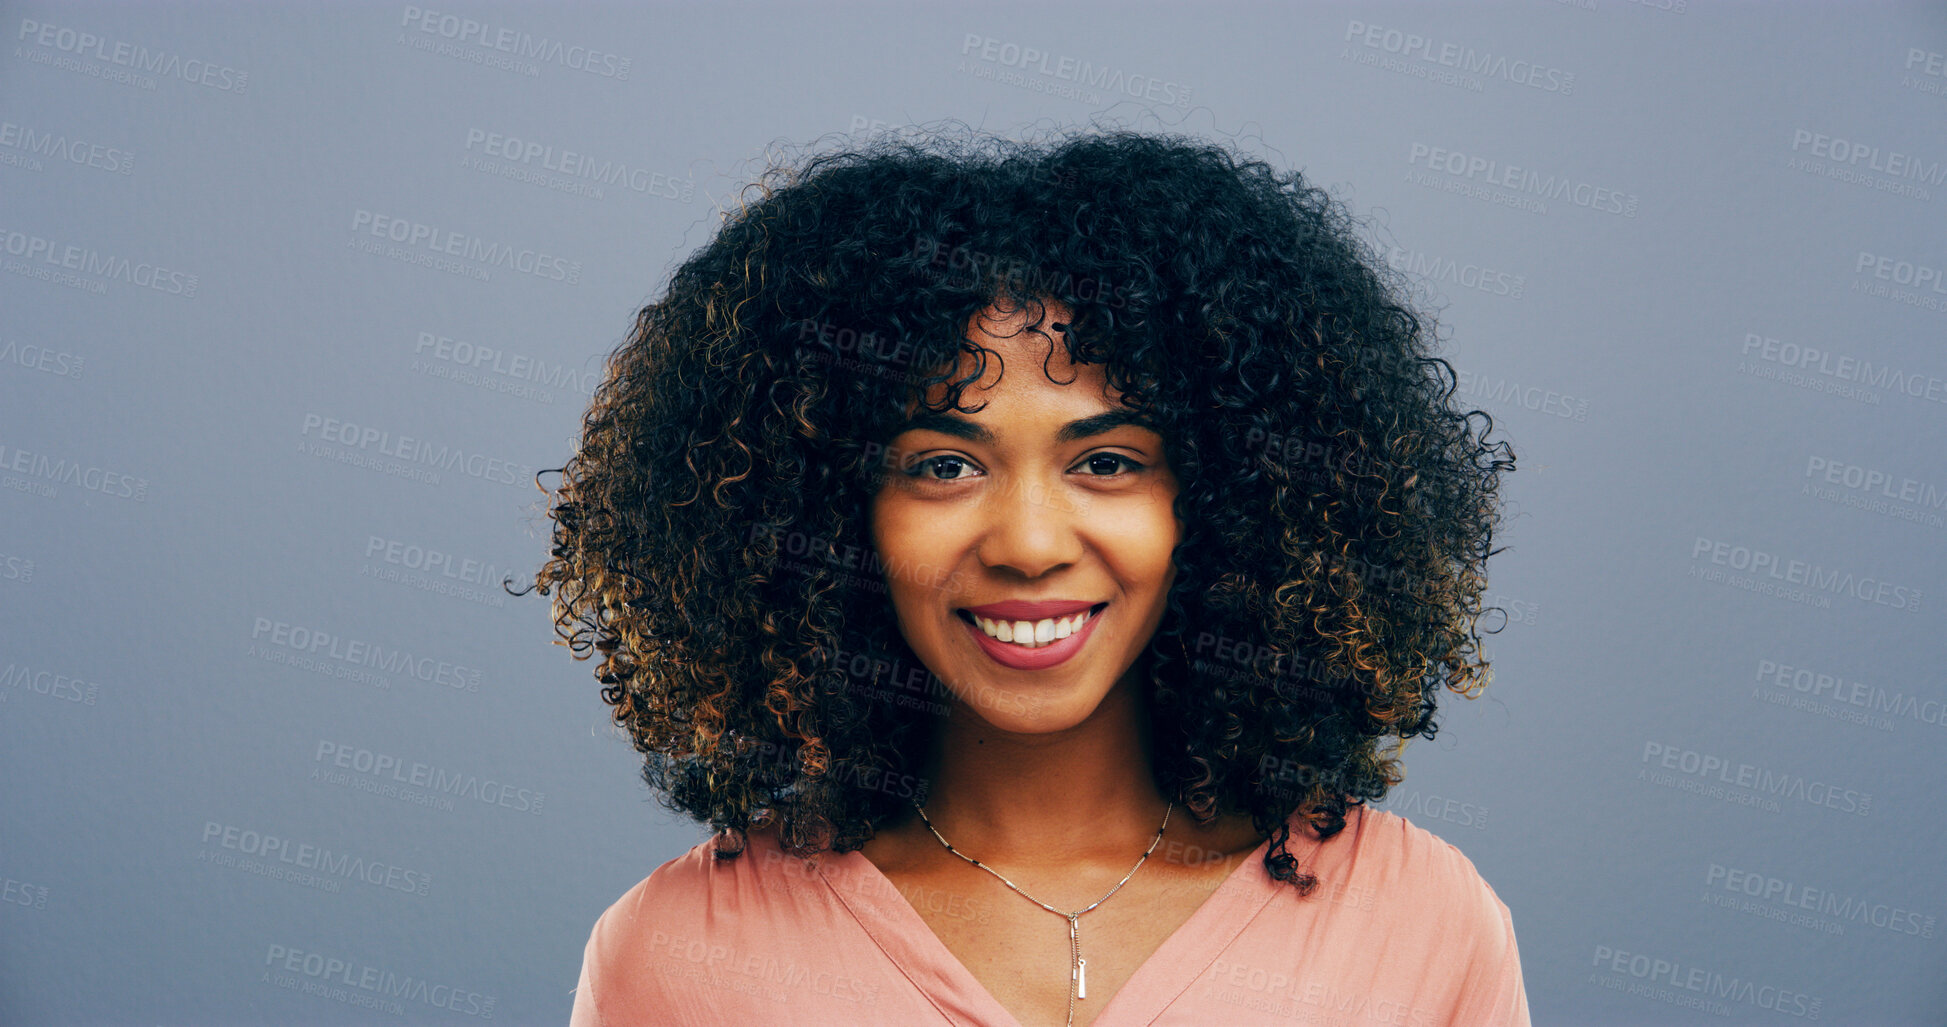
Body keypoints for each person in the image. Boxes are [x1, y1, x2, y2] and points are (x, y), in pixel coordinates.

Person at [530, 125, 1527, 1026]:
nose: (1029, 542)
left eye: (1108, 461)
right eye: (944, 466)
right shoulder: (680, 958)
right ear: (830, 516)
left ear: (1226, 505)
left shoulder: (1421, 926)